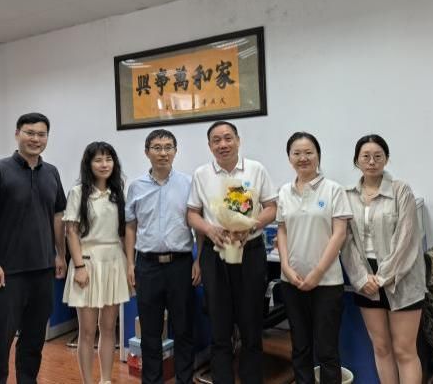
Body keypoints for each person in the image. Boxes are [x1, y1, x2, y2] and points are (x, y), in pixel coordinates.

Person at [0, 113, 67, 384]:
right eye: (30, 133)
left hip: (43, 271)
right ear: (17, 134)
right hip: (7, 273)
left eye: (41, 134)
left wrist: (60, 255)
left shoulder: (52, 173)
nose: (35, 139)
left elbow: (57, 216)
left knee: (34, 341)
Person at [187, 121, 277, 384]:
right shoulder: (201, 174)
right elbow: (192, 213)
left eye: (228, 138)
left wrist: (251, 225)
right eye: (216, 140)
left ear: (238, 140)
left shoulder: (256, 169)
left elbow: (271, 207)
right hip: (215, 253)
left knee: (251, 325)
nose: (223, 144)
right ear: (209, 146)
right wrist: (209, 229)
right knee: (219, 325)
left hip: (250, 252)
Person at [341, 134, 425, 384]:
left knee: (404, 350)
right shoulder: (347, 195)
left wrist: (382, 277)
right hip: (365, 275)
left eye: (378, 156)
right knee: (381, 347)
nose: (372, 161)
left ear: (386, 159)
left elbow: (407, 239)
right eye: (365, 156)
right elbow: (346, 241)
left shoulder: (401, 190)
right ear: (356, 160)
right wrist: (360, 278)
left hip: (401, 276)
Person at [124, 129, 200, 384]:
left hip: (181, 264)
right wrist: (130, 263)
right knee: (150, 332)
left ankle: (184, 379)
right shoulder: (136, 187)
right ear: (147, 152)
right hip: (147, 266)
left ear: (176, 151)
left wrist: (198, 259)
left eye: (168, 147)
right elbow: (130, 226)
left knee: (184, 329)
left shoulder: (188, 183)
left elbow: (197, 224)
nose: (163, 153)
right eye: (157, 147)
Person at [276, 132, 352, 384]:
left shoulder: (334, 190)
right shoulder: (284, 191)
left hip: (326, 282)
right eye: (296, 153)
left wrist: (317, 273)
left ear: (318, 155)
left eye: (309, 152)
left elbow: (339, 234)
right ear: (289, 158)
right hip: (292, 281)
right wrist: (285, 266)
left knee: (327, 349)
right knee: (300, 347)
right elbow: (282, 230)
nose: (303, 158)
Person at [63, 141, 130, 384]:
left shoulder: (118, 192)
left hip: (114, 261)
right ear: (88, 164)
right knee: (88, 331)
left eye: (108, 159)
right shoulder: (78, 192)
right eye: (98, 160)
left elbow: (124, 232)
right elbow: (71, 232)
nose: (104, 164)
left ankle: (106, 379)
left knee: (109, 327)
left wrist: (129, 265)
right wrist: (79, 267)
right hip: (88, 263)